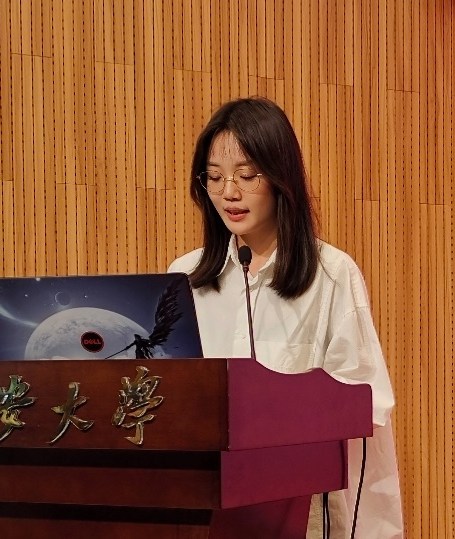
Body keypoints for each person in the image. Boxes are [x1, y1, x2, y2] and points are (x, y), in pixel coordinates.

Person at [168, 97, 404, 538]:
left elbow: (368, 400)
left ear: (280, 177)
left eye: (246, 176)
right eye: (215, 177)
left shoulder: (331, 274)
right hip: (206, 509)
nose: (229, 193)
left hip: (302, 512)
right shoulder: (184, 277)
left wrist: (280, 411)